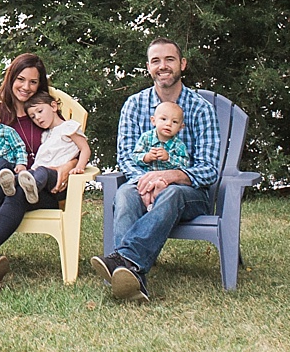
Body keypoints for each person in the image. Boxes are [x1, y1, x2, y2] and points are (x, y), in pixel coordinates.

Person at [91, 39, 220, 303]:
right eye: (156, 61)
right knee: (126, 194)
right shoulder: (134, 106)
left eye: (170, 59)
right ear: (148, 67)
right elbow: (126, 158)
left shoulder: (200, 108)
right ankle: (134, 277)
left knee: (172, 194)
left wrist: (169, 177)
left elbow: (209, 169)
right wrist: (147, 181)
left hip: (190, 193)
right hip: (142, 184)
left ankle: (122, 261)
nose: (163, 66)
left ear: (182, 64)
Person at [0, 53, 83, 287]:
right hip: (2, 182)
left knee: (20, 190)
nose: (26, 87)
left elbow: (75, 146)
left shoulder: (44, 110)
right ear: (11, 78)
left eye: (33, 82)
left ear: (40, 84)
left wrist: (68, 166)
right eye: (21, 79)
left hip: (41, 189)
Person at [20, 91, 92, 204]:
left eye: (40, 111)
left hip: (57, 179)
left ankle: (27, 190)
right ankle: (13, 185)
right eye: (33, 117)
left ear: (53, 106)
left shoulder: (68, 127)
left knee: (42, 172)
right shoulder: (46, 136)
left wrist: (79, 167)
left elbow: (85, 149)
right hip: (40, 177)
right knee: (27, 174)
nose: (37, 117)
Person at [131, 101, 191, 175]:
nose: (168, 124)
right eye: (163, 119)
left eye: (174, 122)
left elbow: (185, 165)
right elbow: (134, 157)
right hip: (147, 178)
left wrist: (168, 158)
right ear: (153, 121)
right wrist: (146, 157)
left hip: (171, 181)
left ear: (180, 127)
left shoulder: (179, 145)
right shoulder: (146, 138)